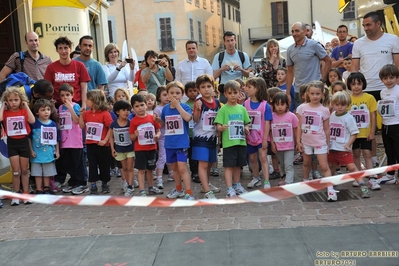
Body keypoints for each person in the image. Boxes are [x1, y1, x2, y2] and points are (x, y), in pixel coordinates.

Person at [328, 91, 371, 198]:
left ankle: (363, 185)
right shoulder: (332, 115)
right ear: (333, 104)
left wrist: (348, 144)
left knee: (352, 167)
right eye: (337, 104)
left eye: (343, 105)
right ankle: (330, 185)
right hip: (332, 147)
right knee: (330, 167)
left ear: (348, 105)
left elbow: (354, 133)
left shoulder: (349, 118)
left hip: (343, 149)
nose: (340, 107)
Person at [296, 81, 334, 201]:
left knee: (323, 166)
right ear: (308, 94)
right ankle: (306, 182)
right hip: (306, 141)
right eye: (312, 93)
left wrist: (327, 144)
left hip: (319, 142)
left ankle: (330, 189)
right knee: (306, 163)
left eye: (317, 94)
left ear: (322, 94)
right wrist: (298, 141)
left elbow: (327, 129)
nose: (315, 96)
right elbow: (299, 126)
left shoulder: (324, 110)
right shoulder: (302, 108)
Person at [158, 81, 194, 200]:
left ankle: (189, 192)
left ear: (182, 95)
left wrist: (178, 105)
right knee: (174, 168)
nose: (174, 95)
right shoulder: (165, 109)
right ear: (167, 94)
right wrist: (158, 120)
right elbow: (164, 123)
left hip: (181, 143)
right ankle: (178, 189)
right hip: (169, 143)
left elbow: (188, 118)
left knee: (182, 167)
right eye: (171, 93)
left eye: (177, 93)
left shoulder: (185, 107)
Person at [214, 80, 250, 197]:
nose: (233, 95)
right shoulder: (223, 109)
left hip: (240, 141)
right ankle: (229, 188)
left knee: (238, 165)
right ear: (225, 94)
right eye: (230, 93)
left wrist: (246, 127)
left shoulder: (242, 109)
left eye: (235, 92)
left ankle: (237, 184)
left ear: (239, 93)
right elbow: (217, 125)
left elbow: (246, 122)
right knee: (229, 166)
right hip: (229, 143)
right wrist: (221, 128)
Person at [0, 87, 35, 205]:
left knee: (25, 170)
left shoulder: (24, 110)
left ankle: (25, 193)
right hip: (12, 143)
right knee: (16, 170)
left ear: (21, 100)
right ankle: (16, 194)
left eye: (16, 100)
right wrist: (2, 107)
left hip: (24, 142)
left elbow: (32, 121)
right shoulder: (5, 112)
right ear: (6, 101)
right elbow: (0, 119)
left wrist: (26, 107)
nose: (13, 102)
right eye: (10, 100)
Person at [347, 72, 380, 190]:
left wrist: (372, 132)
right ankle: (358, 176)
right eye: (353, 84)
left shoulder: (369, 98)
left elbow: (373, 116)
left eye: (359, 84)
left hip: (366, 133)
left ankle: (372, 178)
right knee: (355, 154)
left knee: (367, 153)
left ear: (363, 84)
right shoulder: (347, 99)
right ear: (349, 85)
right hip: (353, 134)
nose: (356, 86)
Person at [286, 22, 332, 109]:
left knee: (316, 116)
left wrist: (323, 80)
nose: (294, 34)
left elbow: (328, 61)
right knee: (301, 117)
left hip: (314, 89)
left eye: (297, 31)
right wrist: (288, 92)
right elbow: (289, 72)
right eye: (292, 31)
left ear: (304, 31)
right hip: (298, 91)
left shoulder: (314, 45)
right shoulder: (290, 49)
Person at [191, 74, 221, 199]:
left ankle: (205, 185)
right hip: (200, 138)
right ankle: (208, 192)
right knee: (202, 164)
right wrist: (197, 110)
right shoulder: (198, 102)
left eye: (209, 86)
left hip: (212, 138)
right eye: (203, 87)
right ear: (198, 89)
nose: (206, 89)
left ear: (213, 87)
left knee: (209, 164)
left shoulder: (217, 103)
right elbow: (195, 119)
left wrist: (219, 139)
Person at [79, 90, 113, 195]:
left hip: (102, 144)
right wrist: (81, 115)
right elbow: (82, 126)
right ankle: (93, 185)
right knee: (92, 164)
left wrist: (105, 140)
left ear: (95, 100)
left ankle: (104, 183)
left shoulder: (105, 114)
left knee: (104, 164)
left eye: (88, 99)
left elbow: (110, 128)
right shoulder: (87, 113)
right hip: (90, 143)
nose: (85, 101)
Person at [57, 84, 87, 195]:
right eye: (62, 95)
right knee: (69, 164)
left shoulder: (75, 106)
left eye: (67, 95)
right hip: (65, 141)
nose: (65, 98)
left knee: (78, 163)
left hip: (75, 140)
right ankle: (73, 181)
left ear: (72, 95)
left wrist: (70, 108)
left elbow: (77, 121)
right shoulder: (60, 108)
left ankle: (82, 183)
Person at [129, 94, 162, 196]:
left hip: (152, 148)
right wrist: (135, 135)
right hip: (140, 149)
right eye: (137, 106)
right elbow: (131, 137)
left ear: (146, 105)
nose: (140, 108)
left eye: (142, 105)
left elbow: (158, 130)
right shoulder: (133, 121)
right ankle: (142, 190)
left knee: (151, 169)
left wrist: (157, 135)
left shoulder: (152, 118)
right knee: (141, 170)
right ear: (133, 108)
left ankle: (151, 187)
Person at [44, 36, 90, 108]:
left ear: (70, 49)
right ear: (57, 50)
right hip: (58, 105)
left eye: (66, 48)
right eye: (60, 48)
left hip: (76, 104)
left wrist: (84, 106)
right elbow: (47, 89)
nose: (63, 51)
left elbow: (84, 89)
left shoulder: (80, 66)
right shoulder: (51, 67)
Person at [244, 77, 272, 189]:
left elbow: (267, 123)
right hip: (250, 137)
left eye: (249, 87)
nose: (246, 89)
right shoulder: (245, 104)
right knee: (252, 159)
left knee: (263, 157)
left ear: (257, 89)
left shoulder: (265, 105)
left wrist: (265, 139)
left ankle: (266, 180)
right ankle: (256, 177)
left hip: (261, 137)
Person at [29, 99, 60, 194]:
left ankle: (46, 188)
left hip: (49, 152)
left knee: (48, 172)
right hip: (36, 153)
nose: (46, 112)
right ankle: (39, 189)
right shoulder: (34, 123)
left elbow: (56, 139)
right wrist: (31, 150)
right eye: (43, 110)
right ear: (37, 112)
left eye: (48, 109)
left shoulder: (53, 124)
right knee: (37, 172)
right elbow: (29, 138)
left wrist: (57, 151)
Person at [270, 92, 298, 186]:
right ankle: (284, 177)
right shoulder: (272, 116)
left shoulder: (291, 116)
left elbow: (296, 129)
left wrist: (297, 142)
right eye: (277, 104)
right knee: (282, 164)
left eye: (282, 104)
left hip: (289, 146)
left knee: (288, 164)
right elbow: (270, 131)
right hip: (278, 146)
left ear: (287, 104)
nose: (280, 107)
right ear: (273, 105)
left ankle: (289, 182)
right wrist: (272, 143)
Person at [377, 64, 399, 185]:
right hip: (386, 124)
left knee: (397, 150)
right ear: (381, 80)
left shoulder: (398, 90)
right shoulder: (383, 92)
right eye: (385, 78)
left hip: (396, 125)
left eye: (391, 77)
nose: (388, 81)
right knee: (389, 150)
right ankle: (390, 175)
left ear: (396, 78)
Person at [109, 100, 135, 196]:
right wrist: (112, 148)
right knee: (124, 168)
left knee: (130, 168)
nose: (126, 112)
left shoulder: (131, 123)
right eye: (123, 110)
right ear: (117, 112)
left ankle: (130, 186)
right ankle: (127, 182)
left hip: (130, 149)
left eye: (128, 110)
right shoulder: (113, 124)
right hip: (119, 149)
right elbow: (111, 137)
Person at [154, 85, 174, 186]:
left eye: (168, 94)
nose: (167, 97)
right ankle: (159, 178)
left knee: (169, 156)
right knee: (162, 156)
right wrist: (160, 121)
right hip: (162, 136)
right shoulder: (158, 109)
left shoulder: (171, 107)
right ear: (159, 97)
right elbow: (158, 125)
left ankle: (171, 174)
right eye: (164, 95)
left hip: (171, 135)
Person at [184, 81, 200, 183]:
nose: (193, 93)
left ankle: (200, 171)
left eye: (195, 90)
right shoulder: (185, 105)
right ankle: (194, 173)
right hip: (189, 134)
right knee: (191, 155)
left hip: (199, 133)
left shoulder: (200, 103)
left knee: (198, 153)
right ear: (186, 93)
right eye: (190, 91)